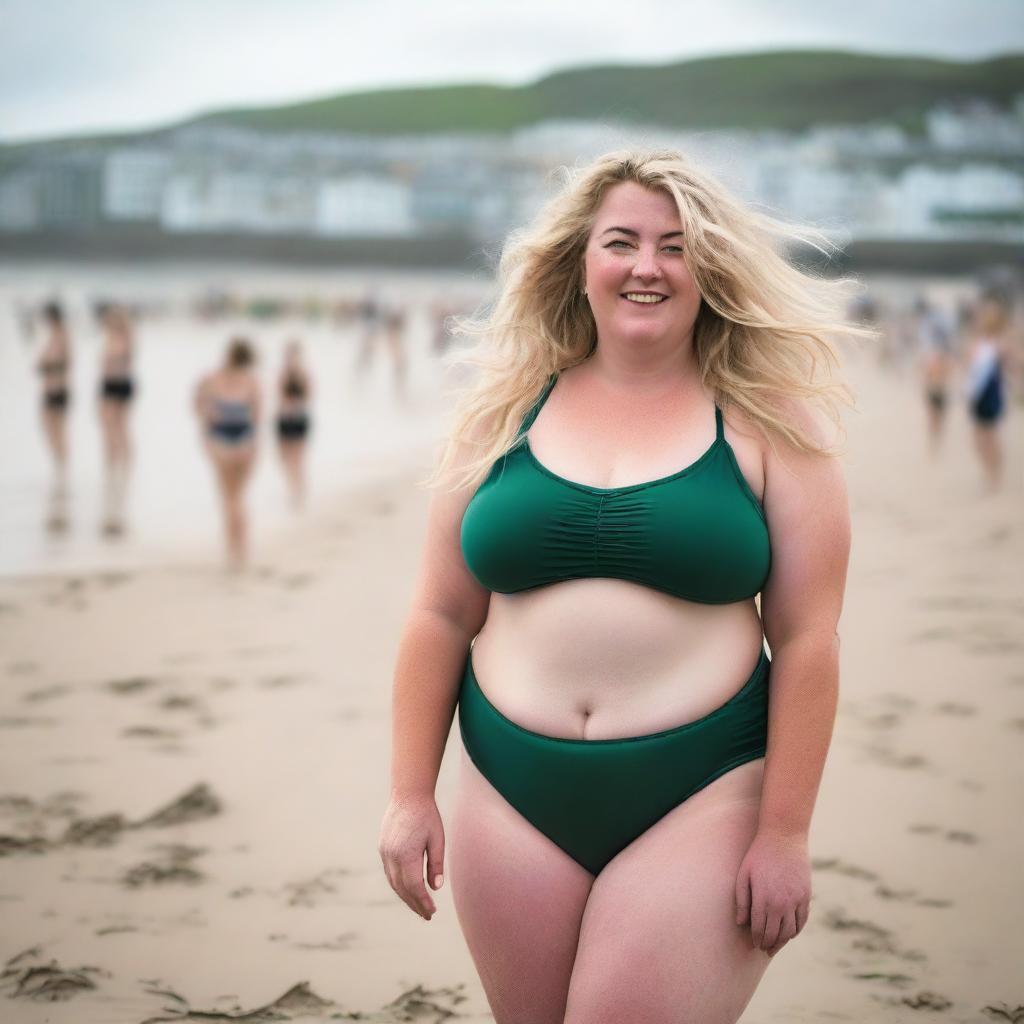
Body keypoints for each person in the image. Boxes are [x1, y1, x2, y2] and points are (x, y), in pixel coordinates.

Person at [379, 150, 867, 1024]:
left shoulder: (769, 421)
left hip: (705, 788)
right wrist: (411, 793)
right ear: (580, 262)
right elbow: (440, 614)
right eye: (623, 242)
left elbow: (808, 638)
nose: (648, 266)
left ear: (709, 268)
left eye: (676, 247)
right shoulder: (502, 412)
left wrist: (785, 833)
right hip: (508, 789)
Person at [194, 338, 262, 569]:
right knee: (239, 498)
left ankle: (232, 550)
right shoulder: (251, 381)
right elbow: (256, 417)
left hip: (221, 438)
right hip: (244, 438)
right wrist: (255, 447)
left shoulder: (211, 378)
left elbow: (199, 407)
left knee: (228, 498)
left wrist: (206, 435)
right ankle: (241, 549)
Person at [963, 290, 1015, 493]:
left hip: (992, 394)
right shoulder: (978, 341)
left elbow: (1012, 365)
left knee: (991, 437)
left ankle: (995, 476)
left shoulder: (1002, 342)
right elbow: (968, 365)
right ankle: (989, 472)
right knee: (978, 439)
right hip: (976, 394)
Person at [96, 303, 136, 535]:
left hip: (116, 385)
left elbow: (117, 364)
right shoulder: (117, 338)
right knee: (111, 428)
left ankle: (122, 463)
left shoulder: (123, 339)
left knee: (117, 427)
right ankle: (115, 462)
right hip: (113, 385)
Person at [36, 300, 72, 532]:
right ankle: (59, 465)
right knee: (50, 428)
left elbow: (64, 363)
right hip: (51, 389)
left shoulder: (62, 336)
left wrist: (46, 365)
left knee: (56, 429)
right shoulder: (54, 336)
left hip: (57, 390)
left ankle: (61, 467)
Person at [913, 295, 956, 457]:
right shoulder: (939, 356)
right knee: (934, 420)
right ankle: (935, 446)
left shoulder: (936, 357)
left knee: (936, 421)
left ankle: (935, 446)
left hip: (937, 391)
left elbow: (926, 374)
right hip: (936, 391)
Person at [275, 339, 312, 510]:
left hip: (298, 419)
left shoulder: (303, 374)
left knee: (298, 459)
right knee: (285, 459)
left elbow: (309, 396)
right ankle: (293, 490)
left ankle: (298, 492)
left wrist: (294, 404)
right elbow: (278, 396)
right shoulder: (282, 374)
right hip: (284, 419)